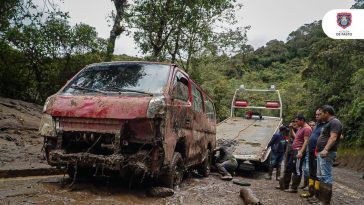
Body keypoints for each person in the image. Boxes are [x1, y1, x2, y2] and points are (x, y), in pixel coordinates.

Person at [276, 114, 312, 193]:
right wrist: (291, 129)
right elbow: (296, 137)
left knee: (297, 169)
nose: (295, 123)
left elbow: (306, 141)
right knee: (289, 167)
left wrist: (301, 152)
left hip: (299, 151)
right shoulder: (300, 128)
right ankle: (285, 185)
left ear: (302, 120)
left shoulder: (307, 129)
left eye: (297, 121)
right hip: (294, 150)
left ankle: (294, 188)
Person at [315, 105, 343, 205]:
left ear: (326, 113)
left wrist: (326, 149)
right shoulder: (329, 123)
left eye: (321, 113)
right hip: (321, 152)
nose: (320, 115)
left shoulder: (335, 122)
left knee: (326, 176)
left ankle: (325, 202)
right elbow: (336, 136)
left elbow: (334, 137)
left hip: (326, 153)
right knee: (321, 176)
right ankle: (321, 199)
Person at [300, 108, 325, 200]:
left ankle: (316, 195)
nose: (317, 116)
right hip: (310, 152)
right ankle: (310, 192)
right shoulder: (317, 125)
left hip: (317, 153)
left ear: (324, 114)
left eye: (319, 114)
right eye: (316, 114)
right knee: (311, 172)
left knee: (317, 174)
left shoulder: (326, 125)